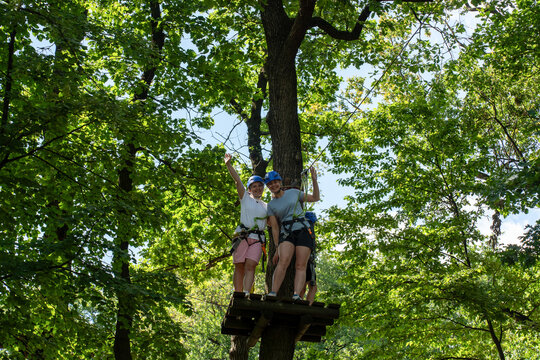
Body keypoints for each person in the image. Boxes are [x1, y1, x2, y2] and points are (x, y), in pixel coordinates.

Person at [265, 167, 319, 301]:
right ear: (268, 186)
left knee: (301, 265)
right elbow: (275, 228)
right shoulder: (271, 205)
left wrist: (314, 180)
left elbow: (315, 198)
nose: (273, 185)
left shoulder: (294, 193)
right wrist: (277, 247)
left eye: (275, 182)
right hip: (287, 232)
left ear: (280, 182)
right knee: (283, 262)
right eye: (270, 184)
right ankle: (273, 292)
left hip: (303, 229)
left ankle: (296, 295)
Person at [224, 153, 267, 296]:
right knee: (239, 266)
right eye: (254, 186)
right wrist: (229, 165)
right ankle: (238, 293)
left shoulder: (267, 206)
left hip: (257, 238)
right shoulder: (245, 198)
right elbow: (237, 181)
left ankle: (247, 293)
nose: (257, 188)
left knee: (251, 266)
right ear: (249, 189)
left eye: (260, 186)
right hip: (242, 235)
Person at [299, 211, 317, 304]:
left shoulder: (304, 228)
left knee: (310, 285)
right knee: (308, 285)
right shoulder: (307, 230)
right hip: (307, 262)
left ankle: (305, 303)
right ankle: (305, 304)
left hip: (308, 262)